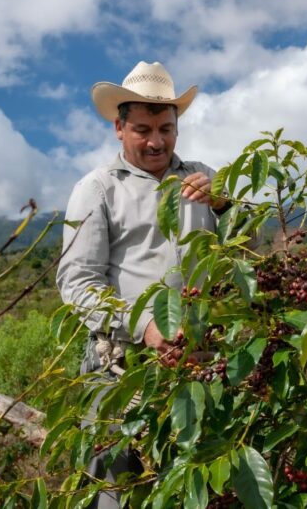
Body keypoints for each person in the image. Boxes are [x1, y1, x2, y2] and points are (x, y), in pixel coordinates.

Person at [56, 60, 228, 507]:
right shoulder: (97, 189)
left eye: (166, 129)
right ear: (119, 127)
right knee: (113, 490)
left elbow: (238, 254)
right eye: (143, 129)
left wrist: (226, 206)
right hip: (121, 369)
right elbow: (77, 281)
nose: (157, 141)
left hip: (198, 364)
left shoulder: (202, 178)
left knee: (197, 485)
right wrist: (145, 328)